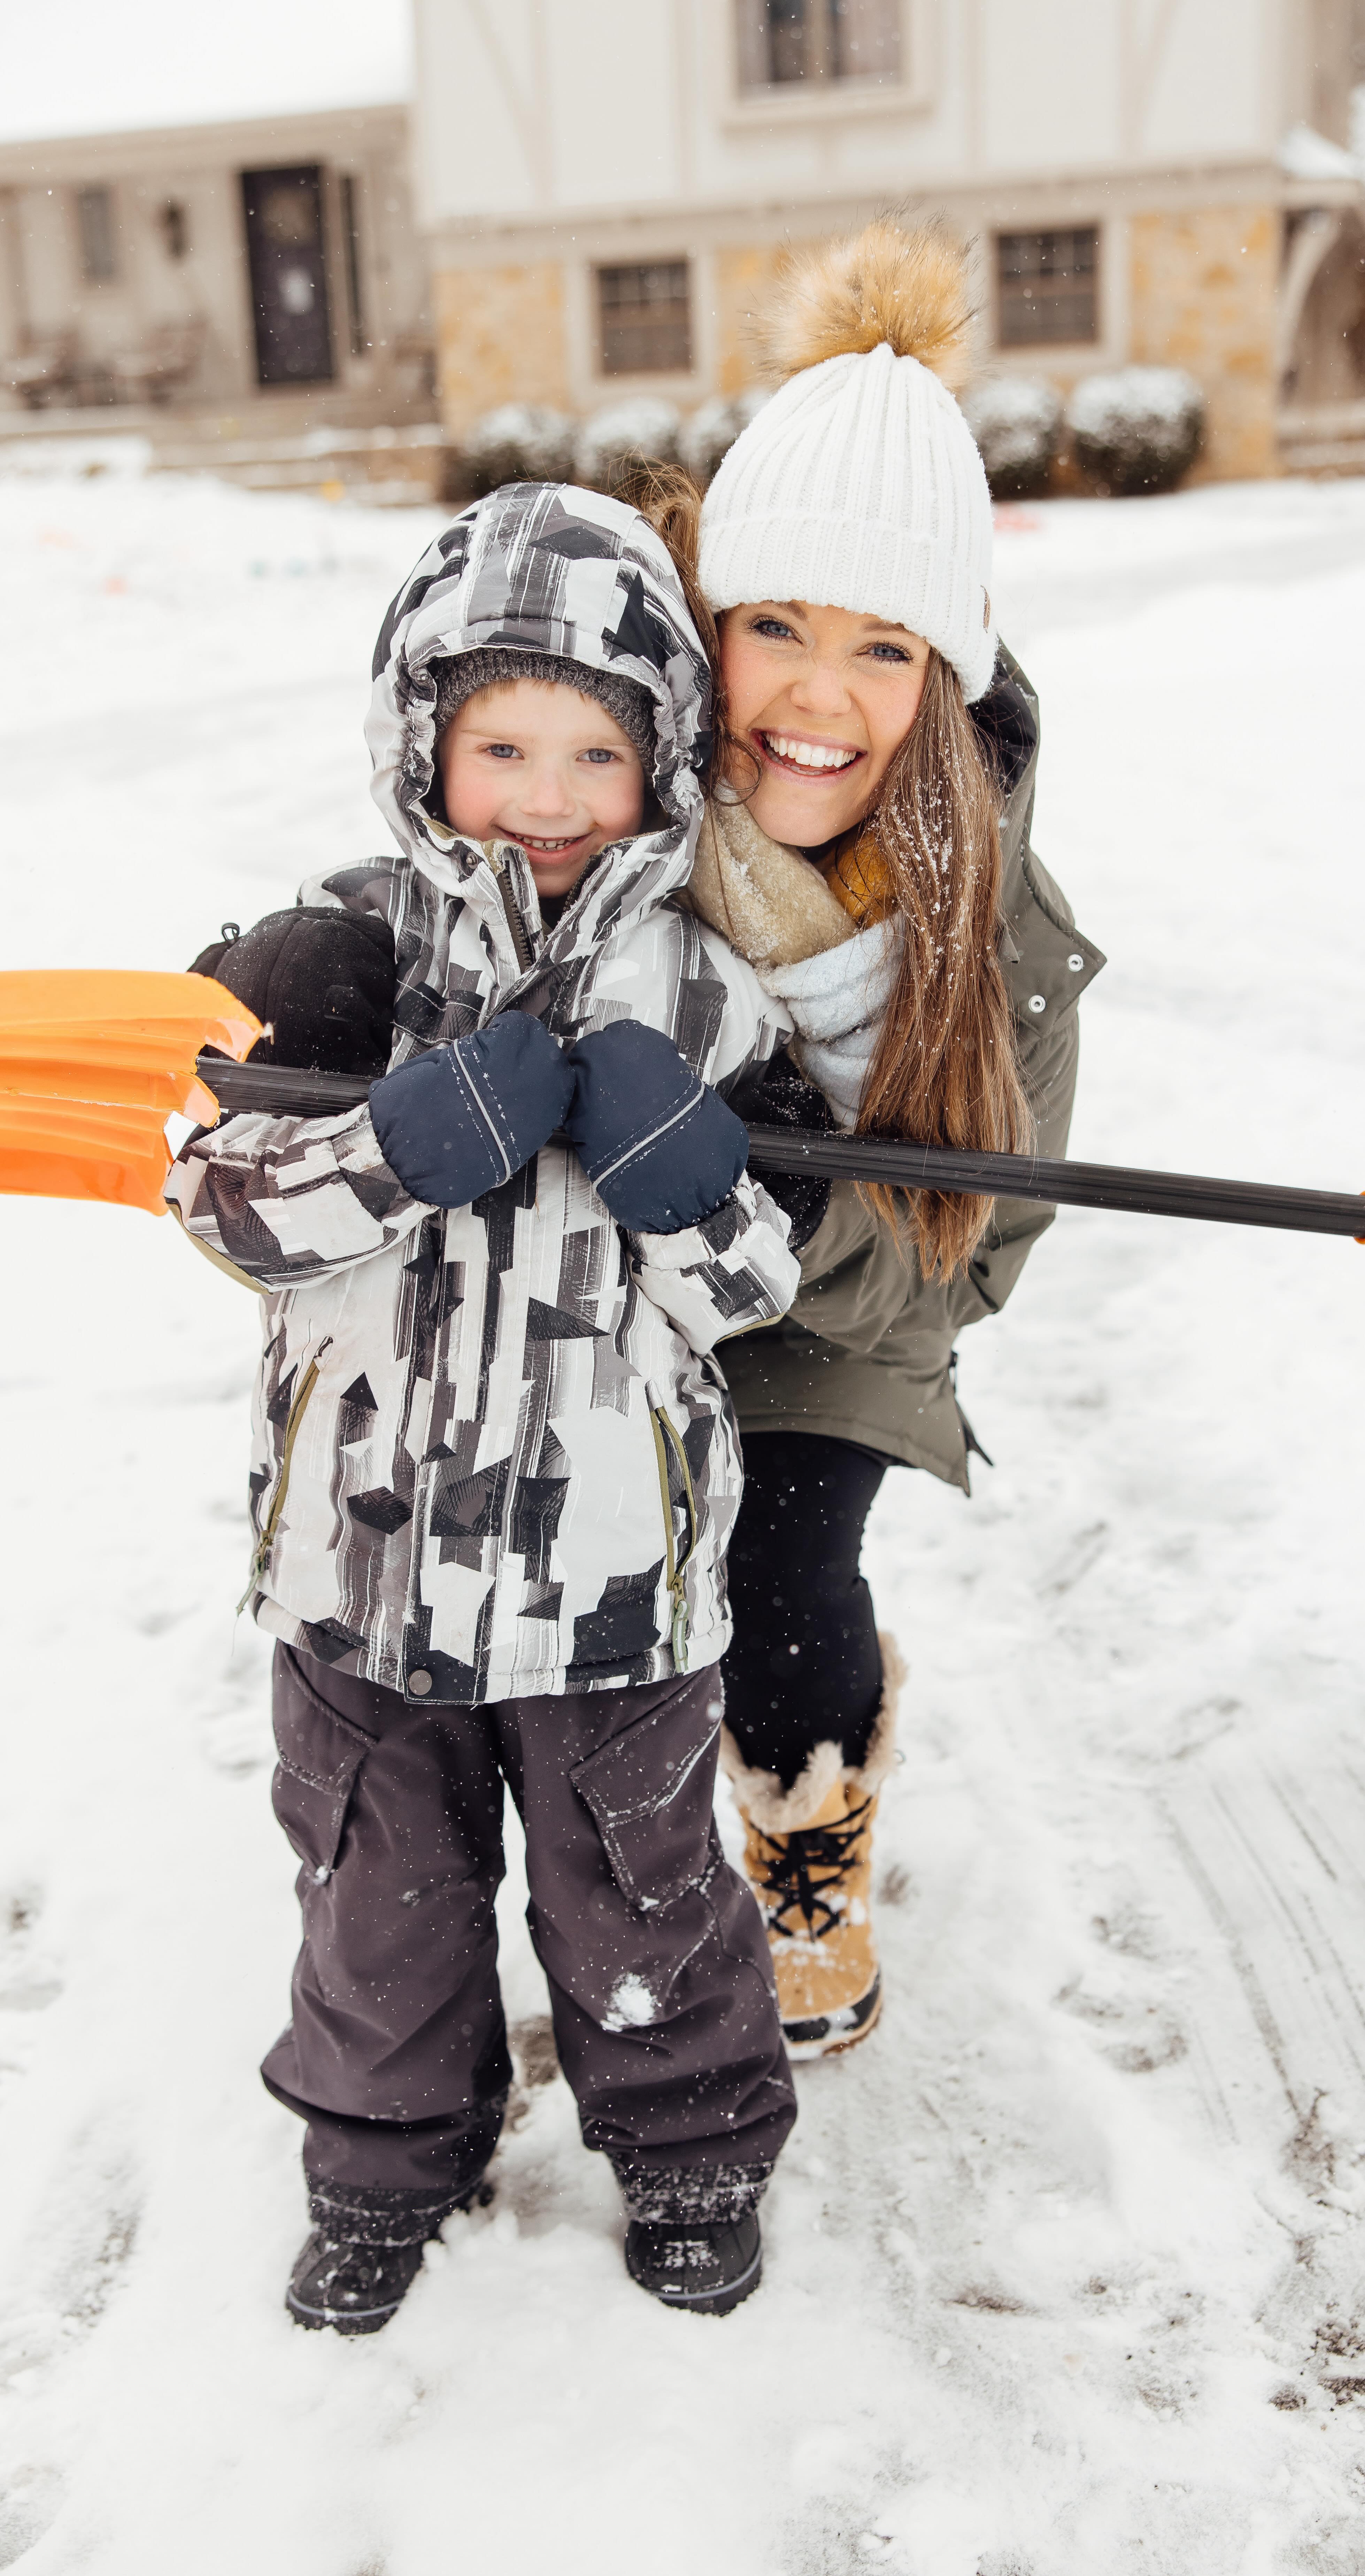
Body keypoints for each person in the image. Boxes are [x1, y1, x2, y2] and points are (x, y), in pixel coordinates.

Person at [166, 482, 805, 2329]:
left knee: (646, 1891)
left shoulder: (703, 991)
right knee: (379, 1901)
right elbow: (213, 1201)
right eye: (500, 739)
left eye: (595, 749)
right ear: (421, 741)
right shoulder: (334, 968)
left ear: (663, 765)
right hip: (359, 1573)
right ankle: (387, 2160)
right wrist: (389, 1143)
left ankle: (689, 2144)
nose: (542, 790)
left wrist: (693, 1180)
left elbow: (756, 1295)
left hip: (615, 1579)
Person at [638, 219, 1104, 2061]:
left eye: (881, 648)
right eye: (774, 628)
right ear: (706, 629)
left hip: (853, 1323)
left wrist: (763, 1184)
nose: (818, 696)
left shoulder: (994, 932)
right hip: (626, 1291)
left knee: (780, 1553)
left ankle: (805, 1827)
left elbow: (966, 1253)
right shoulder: (628, 820)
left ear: (944, 679)